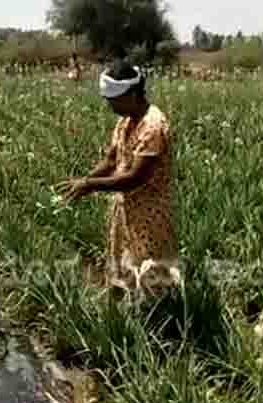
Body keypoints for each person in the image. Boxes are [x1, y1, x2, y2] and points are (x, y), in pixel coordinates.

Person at [57, 59, 180, 301]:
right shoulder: (126, 121)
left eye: (114, 101)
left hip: (150, 214)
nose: (110, 106)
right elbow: (112, 161)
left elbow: (136, 177)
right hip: (125, 210)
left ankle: (161, 322)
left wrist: (91, 186)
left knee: (151, 271)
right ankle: (130, 311)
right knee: (125, 268)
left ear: (133, 94)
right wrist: (84, 180)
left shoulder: (153, 126)